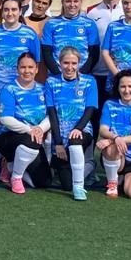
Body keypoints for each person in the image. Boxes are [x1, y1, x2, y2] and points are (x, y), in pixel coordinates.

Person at [0, 54, 54, 195]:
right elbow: (5, 119)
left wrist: (40, 128)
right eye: (23, 67)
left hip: (33, 136)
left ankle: (9, 166)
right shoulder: (8, 89)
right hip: (8, 136)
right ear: (17, 69)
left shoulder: (43, 89)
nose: (27, 71)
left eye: (30, 67)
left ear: (37, 69)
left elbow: (51, 115)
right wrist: (29, 130)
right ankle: (16, 177)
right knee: (31, 142)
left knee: (44, 182)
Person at [46, 46, 99, 199]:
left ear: (79, 63)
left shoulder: (89, 81)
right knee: (65, 184)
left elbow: (90, 110)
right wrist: (58, 143)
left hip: (82, 131)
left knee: (75, 141)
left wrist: (79, 129)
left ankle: (79, 188)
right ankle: (88, 167)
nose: (70, 67)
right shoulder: (51, 82)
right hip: (61, 137)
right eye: (66, 63)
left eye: (74, 63)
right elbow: (52, 114)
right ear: (59, 63)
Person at [0, 0, 40, 121]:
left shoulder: (30, 34)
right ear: (2, 12)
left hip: (20, 90)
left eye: (14, 10)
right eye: (6, 10)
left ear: (20, 11)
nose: (10, 13)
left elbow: (35, 63)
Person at [97, 69, 131, 198]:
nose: (126, 90)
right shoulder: (109, 105)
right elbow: (103, 129)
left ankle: (123, 179)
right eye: (123, 86)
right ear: (118, 88)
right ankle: (112, 183)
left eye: (130, 86)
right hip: (115, 154)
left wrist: (112, 139)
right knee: (111, 148)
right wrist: (115, 139)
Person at [40, 0, 100, 79]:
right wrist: (59, 75)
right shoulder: (51, 24)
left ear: (81, 2)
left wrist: (80, 74)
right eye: (68, 1)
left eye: (76, 1)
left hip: (82, 77)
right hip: (57, 77)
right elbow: (47, 53)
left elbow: (94, 54)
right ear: (62, 2)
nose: (72, 5)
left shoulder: (89, 24)